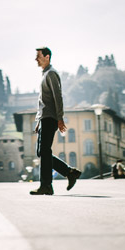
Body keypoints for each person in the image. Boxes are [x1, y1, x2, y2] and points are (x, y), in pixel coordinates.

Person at [30, 47, 82, 195]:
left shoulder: (51, 74)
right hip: (44, 118)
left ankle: (46, 185)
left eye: (38, 56)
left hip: (51, 118)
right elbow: (44, 101)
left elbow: (57, 97)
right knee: (42, 151)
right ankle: (69, 172)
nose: (36, 59)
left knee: (44, 151)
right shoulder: (45, 74)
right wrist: (39, 121)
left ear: (47, 57)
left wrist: (60, 118)